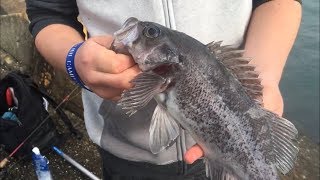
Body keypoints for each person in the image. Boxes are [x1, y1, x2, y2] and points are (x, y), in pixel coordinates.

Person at [26, 0, 302, 179]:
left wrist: (264, 79)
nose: (141, 32)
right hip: (126, 149)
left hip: (223, 155)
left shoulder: (162, 75)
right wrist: (74, 59)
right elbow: (47, 13)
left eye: (150, 34)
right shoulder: (162, 73)